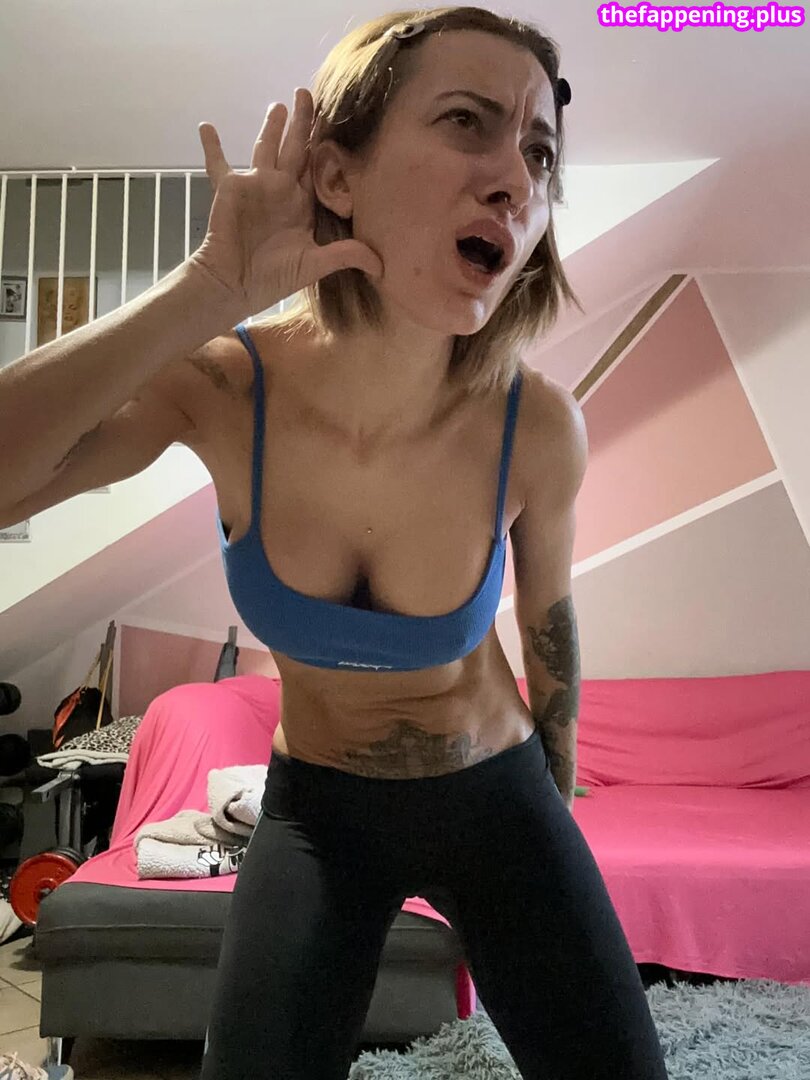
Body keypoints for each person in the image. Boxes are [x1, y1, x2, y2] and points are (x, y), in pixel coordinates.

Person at [0, 6, 669, 1078]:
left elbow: (552, 636)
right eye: (467, 121)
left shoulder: (535, 424)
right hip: (319, 813)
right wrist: (203, 292)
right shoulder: (226, 387)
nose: (517, 179)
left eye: (541, 154)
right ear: (336, 175)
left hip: (494, 798)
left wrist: (553, 824)